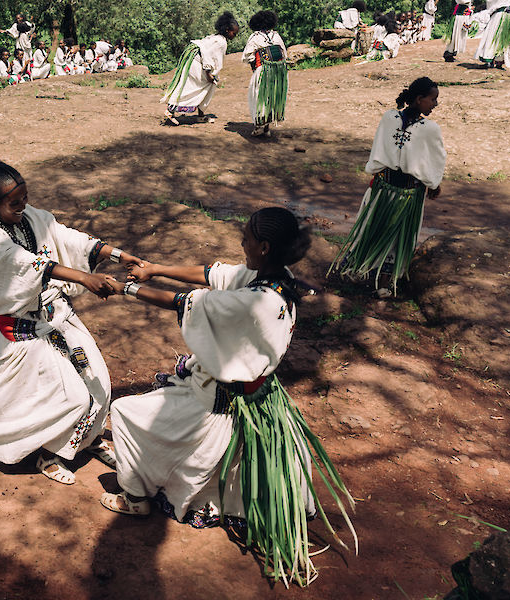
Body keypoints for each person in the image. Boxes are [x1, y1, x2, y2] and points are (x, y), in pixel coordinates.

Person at [100, 207, 355, 586]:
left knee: (124, 412)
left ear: (264, 246)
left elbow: (187, 301)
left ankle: (135, 498)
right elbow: (212, 274)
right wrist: (154, 268)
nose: (241, 241)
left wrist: (128, 288)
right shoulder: (278, 280)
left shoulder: (251, 303)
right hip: (259, 398)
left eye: (247, 237)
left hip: (217, 401)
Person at [0, 159, 144, 484]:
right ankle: (49, 454)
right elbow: (23, 263)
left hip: (59, 318)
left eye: (25, 198)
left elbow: (68, 238)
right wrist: (84, 278)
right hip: (24, 333)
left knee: (97, 380)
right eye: (15, 203)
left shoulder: (33, 218)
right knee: (65, 396)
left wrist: (116, 254)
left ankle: (89, 438)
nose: (24, 206)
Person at [329, 78, 445, 295]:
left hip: (386, 188)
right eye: (433, 99)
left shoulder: (394, 119)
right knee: (392, 234)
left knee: (377, 228)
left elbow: (382, 152)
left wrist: (432, 182)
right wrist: (434, 184)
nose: (435, 104)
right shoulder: (418, 125)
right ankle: (378, 280)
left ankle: (370, 275)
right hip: (401, 193)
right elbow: (437, 159)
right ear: (419, 99)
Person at [161, 12, 239, 126]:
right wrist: (208, 73)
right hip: (198, 63)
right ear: (227, 30)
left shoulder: (216, 37)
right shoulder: (221, 42)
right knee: (193, 87)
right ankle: (170, 110)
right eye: (234, 33)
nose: (234, 36)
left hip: (194, 60)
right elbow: (208, 55)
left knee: (202, 85)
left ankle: (201, 116)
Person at [243, 10, 287, 138]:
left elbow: (248, 56)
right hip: (278, 71)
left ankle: (258, 127)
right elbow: (283, 53)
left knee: (258, 96)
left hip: (262, 70)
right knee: (272, 97)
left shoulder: (255, 37)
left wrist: (254, 68)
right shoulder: (276, 36)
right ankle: (267, 128)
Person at [474, 0, 510, 67]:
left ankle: (499, 61)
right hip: (500, 15)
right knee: (493, 37)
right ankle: (490, 60)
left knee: (504, 39)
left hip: (508, 16)